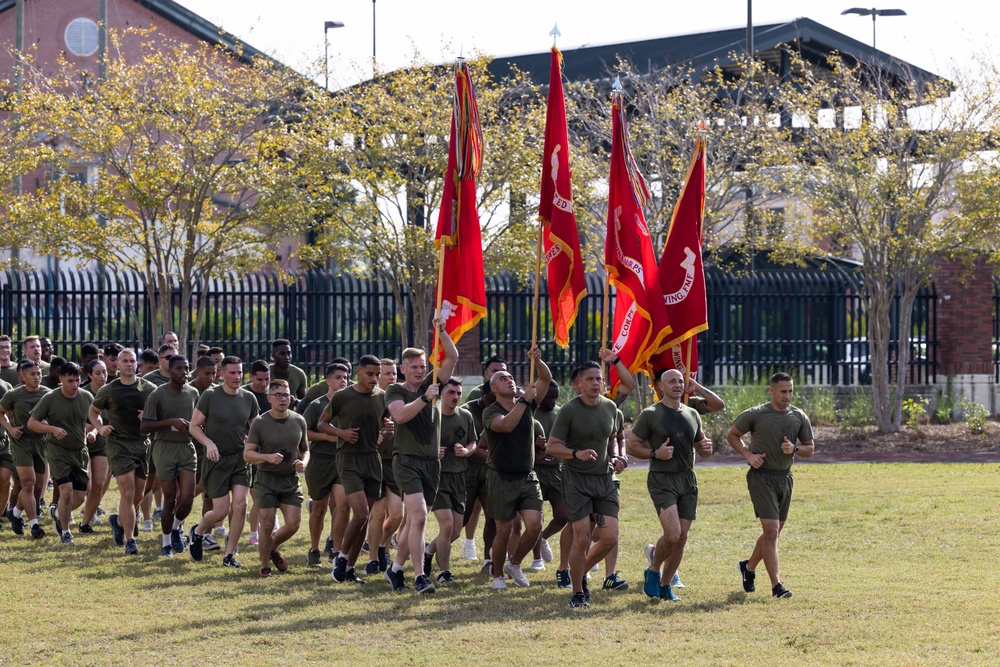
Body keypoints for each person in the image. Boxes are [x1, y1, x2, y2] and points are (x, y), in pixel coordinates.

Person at [383, 321, 458, 594]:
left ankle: (395, 570)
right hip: (406, 461)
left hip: (431, 464)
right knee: (420, 515)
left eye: (422, 367)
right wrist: (426, 399)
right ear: (403, 369)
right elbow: (400, 416)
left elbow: (452, 356)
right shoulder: (396, 391)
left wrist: (440, 332)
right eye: (413, 367)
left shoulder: (432, 384)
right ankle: (420, 577)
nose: (419, 371)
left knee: (415, 520)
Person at [727, 371, 815, 599]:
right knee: (771, 530)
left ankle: (748, 567)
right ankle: (777, 586)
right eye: (783, 391)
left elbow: (810, 448)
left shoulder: (798, 416)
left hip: (785, 478)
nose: (787, 396)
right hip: (761, 477)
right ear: (772, 391)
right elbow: (733, 435)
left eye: (791, 391)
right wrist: (748, 455)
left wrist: (794, 449)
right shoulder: (756, 414)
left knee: (772, 534)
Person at [628, 369, 713, 602]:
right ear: (661, 387)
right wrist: (656, 453)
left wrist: (707, 449)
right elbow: (632, 446)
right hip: (662, 479)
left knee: (682, 538)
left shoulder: (693, 413)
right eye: (671, 381)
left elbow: (702, 447)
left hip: (688, 479)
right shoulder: (650, 414)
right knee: (673, 534)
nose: (677, 385)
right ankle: (653, 570)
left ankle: (666, 586)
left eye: (680, 381)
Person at [546, 361, 625, 608]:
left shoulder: (611, 408)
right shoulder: (569, 411)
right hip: (576, 480)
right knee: (582, 538)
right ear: (578, 383)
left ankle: (577, 574)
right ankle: (578, 592)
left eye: (599, 379)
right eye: (589, 379)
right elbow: (552, 446)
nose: (595, 383)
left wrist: (618, 456)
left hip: (604, 479)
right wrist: (575, 453)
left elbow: (615, 439)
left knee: (610, 537)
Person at [482, 347, 552, 591]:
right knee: (504, 531)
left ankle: (515, 563)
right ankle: (498, 575)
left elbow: (544, 379)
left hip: (527, 475)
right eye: (502, 378)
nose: (509, 380)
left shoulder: (527, 404)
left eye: (510, 377)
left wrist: (538, 360)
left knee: (535, 525)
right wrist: (523, 400)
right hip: (501, 476)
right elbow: (505, 426)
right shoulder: (490, 411)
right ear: (493, 388)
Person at [320, 355, 390, 584]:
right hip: (348, 460)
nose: (374, 379)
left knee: (366, 517)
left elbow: (381, 421)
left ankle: (349, 569)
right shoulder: (343, 396)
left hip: (372, 459)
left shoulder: (382, 396)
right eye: (370, 374)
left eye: (377, 374)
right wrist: (341, 433)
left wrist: (386, 425)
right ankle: (341, 557)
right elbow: (322, 423)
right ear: (358, 372)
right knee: (360, 513)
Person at [188, 356, 260, 567]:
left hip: (240, 459)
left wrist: (252, 443)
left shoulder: (249, 398)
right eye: (232, 373)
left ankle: (229, 556)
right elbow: (194, 426)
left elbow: (255, 428)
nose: (237, 376)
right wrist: (209, 443)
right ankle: (198, 531)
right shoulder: (210, 396)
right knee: (220, 511)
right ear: (222, 374)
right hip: (216, 460)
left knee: (241, 504)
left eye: (239, 372)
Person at [90, 348, 157, 555]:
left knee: (139, 493)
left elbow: (159, 414)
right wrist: (100, 428)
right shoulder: (109, 390)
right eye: (125, 361)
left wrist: (148, 415)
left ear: (137, 364)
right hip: (118, 444)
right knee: (127, 491)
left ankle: (118, 521)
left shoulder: (150, 388)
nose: (129, 364)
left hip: (142, 444)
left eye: (132, 361)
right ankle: (131, 540)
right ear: (117, 365)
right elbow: (93, 411)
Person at [244, 379, 309, 578]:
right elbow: (248, 455)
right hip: (266, 480)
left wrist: (303, 463)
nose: (283, 399)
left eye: (287, 395)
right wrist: (266, 457)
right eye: (279, 395)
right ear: (269, 398)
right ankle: (265, 565)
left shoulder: (299, 420)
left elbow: (305, 450)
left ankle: (270, 548)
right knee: (268, 522)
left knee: (293, 524)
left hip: (289, 480)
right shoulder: (260, 423)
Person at [27, 362, 95, 546]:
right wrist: (52, 429)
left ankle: (58, 514)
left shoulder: (86, 396)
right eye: (70, 380)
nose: (74, 385)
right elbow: (32, 423)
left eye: (77, 380)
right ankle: (66, 533)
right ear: (61, 379)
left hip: (80, 452)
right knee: (66, 492)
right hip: (58, 451)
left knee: (80, 497)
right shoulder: (50, 398)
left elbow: (96, 418)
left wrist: (94, 432)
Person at [141, 355, 199, 557]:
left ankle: (175, 528)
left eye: (187, 368)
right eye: (179, 369)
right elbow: (145, 426)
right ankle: (166, 542)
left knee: (188, 498)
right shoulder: (157, 395)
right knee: (170, 499)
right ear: (170, 370)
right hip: (164, 448)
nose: (184, 372)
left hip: (186, 447)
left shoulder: (193, 393)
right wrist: (171, 421)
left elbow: (200, 421)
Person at [424, 377, 477, 584]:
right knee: (446, 526)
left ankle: (428, 550)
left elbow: (473, 441)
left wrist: (466, 451)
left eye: (458, 393)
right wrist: (430, 452)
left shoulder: (465, 416)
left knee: (455, 531)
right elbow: (417, 444)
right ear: (441, 393)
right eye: (451, 392)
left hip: (458, 478)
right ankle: (444, 572)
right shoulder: (430, 415)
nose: (455, 397)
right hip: (436, 477)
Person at [302, 363, 351, 566]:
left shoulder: (350, 404)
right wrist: (328, 437)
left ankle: (336, 550)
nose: (343, 381)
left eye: (346, 377)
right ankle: (314, 549)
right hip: (320, 461)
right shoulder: (316, 405)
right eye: (338, 377)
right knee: (320, 508)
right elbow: (304, 432)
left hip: (344, 461)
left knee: (343, 505)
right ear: (328, 381)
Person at [0, 360, 51, 538]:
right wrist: (10, 429)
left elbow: (55, 415)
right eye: (32, 374)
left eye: (38, 374)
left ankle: (14, 513)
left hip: (41, 443)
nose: (37, 377)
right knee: (28, 483)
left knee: (37, 485)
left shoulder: (48, 394)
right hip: (21, 441)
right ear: (22, 376)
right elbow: (1, 412)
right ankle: (34, 524)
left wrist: (48, 424)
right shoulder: (13, 394)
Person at [365, 358, 402, 574]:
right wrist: (378, 435)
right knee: (377, 513)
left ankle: (381, 544)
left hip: (396, 462)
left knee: (397, 515)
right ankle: (373, 559)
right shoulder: (372, 399)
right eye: (387, 373)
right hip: (374, 462)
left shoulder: (401, 397)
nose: (392, 377)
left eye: (394, 373)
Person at [529, 380, 565, 573]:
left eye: (555, 397)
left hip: (556, 470)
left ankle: (543, 538)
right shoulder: (529, 412)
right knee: (537, 517)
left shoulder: (560, 413)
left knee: (563, 516)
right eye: (549, 397)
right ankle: (536, 559)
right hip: (536, 470)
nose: (553, 401)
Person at [78, 359, 110, 533]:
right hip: (79, 444)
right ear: (89, 375)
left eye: (104, 372)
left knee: (98, 485)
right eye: (97, 373)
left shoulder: (111, 392)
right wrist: (83, 426)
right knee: (85, 486)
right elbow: (70, 417)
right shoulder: (81, 393)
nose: (102, 376)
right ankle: (60, 512)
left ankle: (85, 522)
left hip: (101, 445)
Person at [242, 360, 270, 545]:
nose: (263, 383)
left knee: (261, 495)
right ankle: (254, 533)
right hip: (246, 451)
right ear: (251, 377)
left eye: (267, 379)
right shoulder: (243, 394)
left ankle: (259, 529)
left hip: (267, 451)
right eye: (259, 379)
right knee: (254, 495)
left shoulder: (273, 395)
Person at [269, 339, 308, 403]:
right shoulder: (265, 373)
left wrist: (295, 401)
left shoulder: (298, 373)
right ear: (273, 356)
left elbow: (304, 402)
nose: (287, 357)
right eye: (282, 354)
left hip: (289, 412)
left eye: (289, 353)